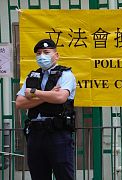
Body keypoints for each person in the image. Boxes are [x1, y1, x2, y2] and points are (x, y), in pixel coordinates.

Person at [16, 39, 76, 180]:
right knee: (38, 174)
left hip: (57, 133)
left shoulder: (65, 75)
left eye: (46, 52)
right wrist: (47, 94)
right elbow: (20, 103)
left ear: (56, 55)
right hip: (35, 132)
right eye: (39, 53)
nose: (42, 56)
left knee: (64, 174)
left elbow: (60, 97)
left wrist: (34, 93)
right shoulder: (32, 76)